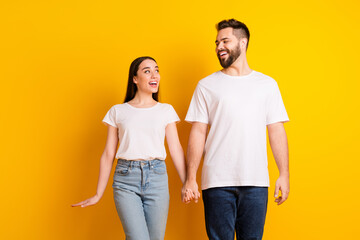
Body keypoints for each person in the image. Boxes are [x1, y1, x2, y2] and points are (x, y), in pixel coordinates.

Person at [182, 19, 290, 240]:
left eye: (225, 41)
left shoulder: (267, 84)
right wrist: (190, 177)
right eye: (216, 42)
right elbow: (198, 133)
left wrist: (284, 174)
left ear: (243, 42)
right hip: (217, 181)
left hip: (256, 182)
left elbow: (276, 130)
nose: (219, 47)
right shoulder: (206, 85)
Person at [73, 56, 187, 240]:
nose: (154, 75)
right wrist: (98, 193)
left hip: (157, 178)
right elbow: (109, 154)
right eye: (147, 71)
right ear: (135, 78)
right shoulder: (118, 111)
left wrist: (187, 182)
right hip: (126, 180)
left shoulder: (165, 110)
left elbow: (176, 150)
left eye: (156, 70)